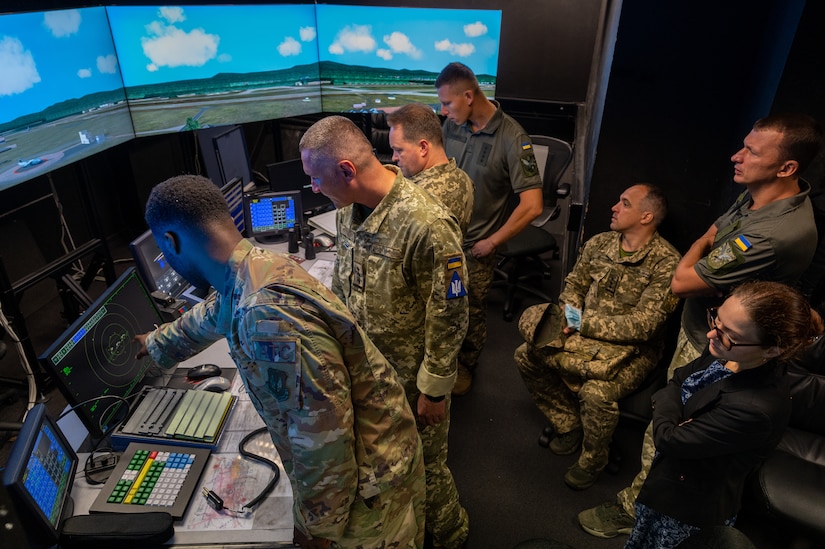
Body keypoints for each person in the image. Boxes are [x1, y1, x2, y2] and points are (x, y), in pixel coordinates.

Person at [133, 174, 426, 549]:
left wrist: (317, 529)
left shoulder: (267, 316)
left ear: (171, 242)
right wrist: (156, 343)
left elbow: (322, 436)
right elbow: (213, 313)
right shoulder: (254, 267)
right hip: (378, 452)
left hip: (368, 489)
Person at [579, 112, 824, 538]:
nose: (736, 155)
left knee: (669, 440)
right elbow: (713, 235)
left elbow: (681, 281)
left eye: (751, 151)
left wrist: (700, 253)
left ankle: (636, 510)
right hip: (711, 327)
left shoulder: (773, 232)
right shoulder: (758, 195)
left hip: (728, 344)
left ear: (787, 168)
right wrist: (705, 251)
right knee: (668, 409)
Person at [299, 115, 470, 549]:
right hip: (369, 373)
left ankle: (452, 535)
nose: (314, 189)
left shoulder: (427, 224)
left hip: (412, 379)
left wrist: (434, 389)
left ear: (346, 171)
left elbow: (449, 312)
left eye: (316, 179)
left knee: (428, 465)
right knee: (390, 469)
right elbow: (343, 282)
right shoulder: (347, 213)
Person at [625, 281, 823, 549]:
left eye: (728, 333)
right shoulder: (728, 347)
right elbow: (678, 378)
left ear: (772, 349)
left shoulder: (755, 408)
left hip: (687, 506)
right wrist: (674, 411)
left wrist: (670, 410)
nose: (710, 335)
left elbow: (669, 438)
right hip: (672, 475)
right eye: (716, 319)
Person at [514, 184, 681, 490]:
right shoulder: (599, 243)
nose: (614, 207)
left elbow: (644, 326)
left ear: (646, 217)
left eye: (624, 203)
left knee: (596, 393)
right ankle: (569, 424)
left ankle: (594, 458)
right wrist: (568, 316)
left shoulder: (666, 262)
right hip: (581, 335)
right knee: (527, 354)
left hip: (634, 351)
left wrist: (581, 324)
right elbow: (574, 288)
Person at [436, 61, 544, 395]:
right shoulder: (452, 124)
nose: (442, 111)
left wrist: (493, 241)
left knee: (468, 309)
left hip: (474, 247)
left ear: (468, 96)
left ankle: (467, 366)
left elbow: (533, 205)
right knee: (435, 303)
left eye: (447, 103)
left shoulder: (514, 139)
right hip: (439, 236)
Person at [386, 102, 474, 234]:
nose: (394, 158)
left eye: (398, 150)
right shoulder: (464, 178)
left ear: (423, 148)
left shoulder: (416, 197)